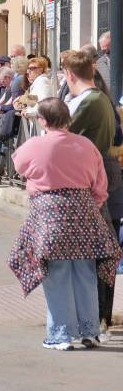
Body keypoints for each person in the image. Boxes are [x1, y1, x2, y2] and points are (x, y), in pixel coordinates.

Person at [8, 98, 119, 350]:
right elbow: (100, 185)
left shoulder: (34, 145)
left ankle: (61, 335)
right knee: (86, 272)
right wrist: (90, 203)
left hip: (50, 213)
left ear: (42, 120)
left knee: (57, 273)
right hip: (85, 211)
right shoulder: (86, 145)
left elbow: (19, 166)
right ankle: (89, 331)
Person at [60, 48, 123, 334]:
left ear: (69, 74)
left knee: (100, 251)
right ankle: (96, 317)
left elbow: (63, 135)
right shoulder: (96, 99)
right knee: (99, 250)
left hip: (94, 181)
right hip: (96, 179)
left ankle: (97, 318)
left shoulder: (92, 101)